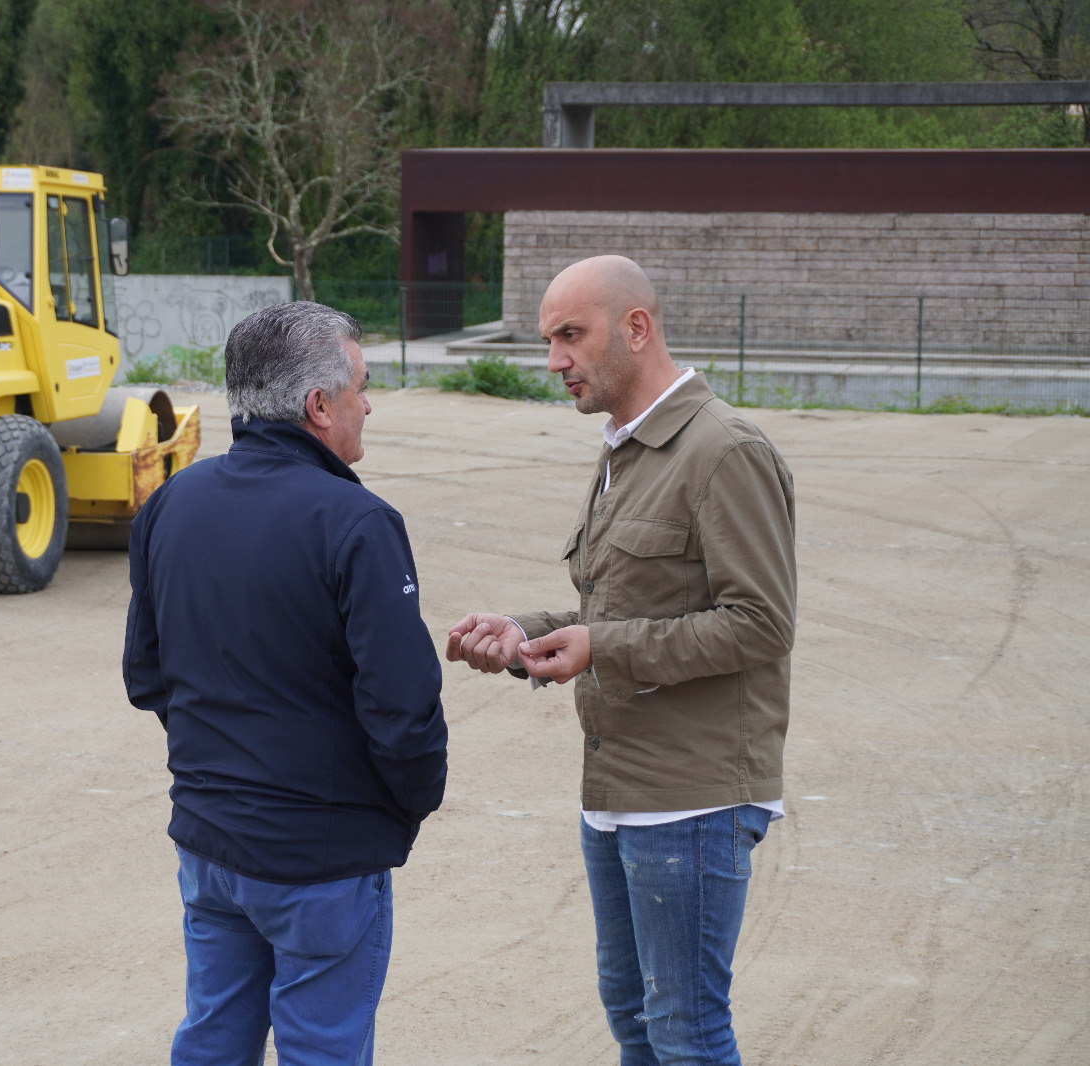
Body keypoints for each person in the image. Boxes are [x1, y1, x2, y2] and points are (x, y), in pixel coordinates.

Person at [446, 256, 796, 1066]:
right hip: (616, 793)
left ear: (637, 329)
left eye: (570, 336)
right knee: (635, 1019)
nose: (554, 361)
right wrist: (520, 632)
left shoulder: (722, 450)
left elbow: (761, 624)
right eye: (547, 341)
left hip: (692, 800)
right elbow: (621, 611)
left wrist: (604, 646)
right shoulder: (624, 451)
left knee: (685, 1031)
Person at [124, 301, 449, 1066]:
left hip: (210, 842)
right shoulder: (356, 522)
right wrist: (406, 803)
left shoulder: (171, 504)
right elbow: (403, 708)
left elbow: (148, 675)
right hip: (322, 857)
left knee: (212, 1037)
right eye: (361, 387)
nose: (368, 405)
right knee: (323, 1049)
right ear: (318, 405)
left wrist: (219, 763)